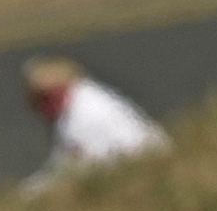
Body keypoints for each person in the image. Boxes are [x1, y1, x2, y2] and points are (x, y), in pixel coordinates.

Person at [19, 57, 171, 196]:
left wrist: (28, 192)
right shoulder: (87, 95)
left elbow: (72, 170)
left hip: (144, 170)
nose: (42, 107)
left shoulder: (83, 116)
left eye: (47, 98)